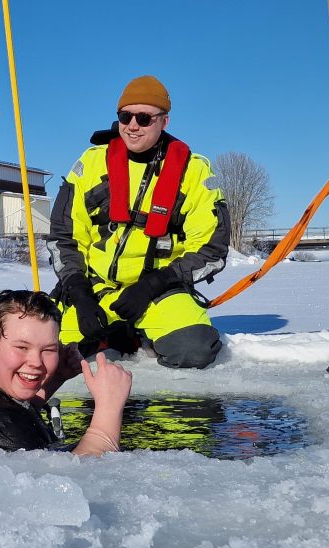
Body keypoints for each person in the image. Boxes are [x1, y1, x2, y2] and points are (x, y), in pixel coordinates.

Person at [47, 75, 231, 369]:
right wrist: (78, 290)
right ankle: (116, 336)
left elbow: (212, 249)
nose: (132, 125)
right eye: (125, 116)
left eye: (144, 118)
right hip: (95, 291)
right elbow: (64, 237)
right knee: (56, 357)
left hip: (159, 292)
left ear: (164, 122)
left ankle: (135, 334)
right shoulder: (91, 164)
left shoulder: (193, 172)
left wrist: (154, 285)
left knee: (194, 350)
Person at [0, 290, 132, 456]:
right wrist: (109, 407)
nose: (36, 362)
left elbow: (17, 411)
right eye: (22, 347)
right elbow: (74, 485)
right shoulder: (3, 424)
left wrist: (57, 378)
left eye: (48, 350)